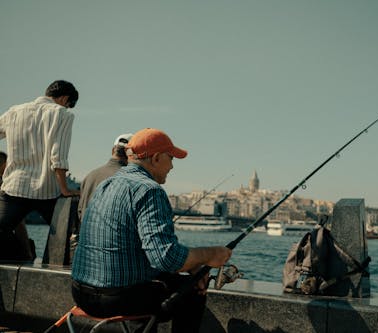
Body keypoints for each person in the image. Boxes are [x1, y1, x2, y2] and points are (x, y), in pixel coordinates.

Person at [71, 128, 232, 333]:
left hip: (81, 293)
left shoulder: (107, 184)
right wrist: (210, 255)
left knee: (156, 283)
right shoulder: (150, 190)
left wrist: (191, 264)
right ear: (156, 158)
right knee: (191, 291)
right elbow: (166, 258)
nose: (173, 166)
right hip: (115, 299)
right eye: (171, 158)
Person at [0, 80, 80, 260]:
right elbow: (58, 156)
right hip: (46, 191)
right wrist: (65, 189)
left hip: (14, 188)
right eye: (69, 105)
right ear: (65, 99)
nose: (68, 108)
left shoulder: (15, 111)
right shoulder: (62, 115)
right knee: (67, 236)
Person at [77, 133, 133, 221]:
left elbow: (80, 211)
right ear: (131, 156)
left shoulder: (89, 176)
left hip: (86, 233)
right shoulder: (131, 180)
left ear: (113, 150)